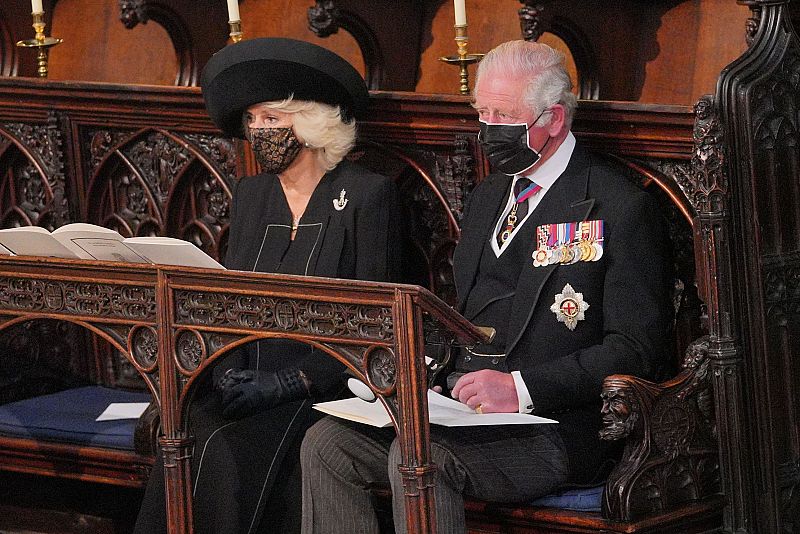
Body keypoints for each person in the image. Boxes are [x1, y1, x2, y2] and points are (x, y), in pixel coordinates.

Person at [299, 39, 673, 533]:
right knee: (326, 444)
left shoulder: (616, 205)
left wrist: (520, 389)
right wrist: (423, 375)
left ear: (553, 119)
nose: (489, 131)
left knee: (422, 459)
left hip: (558, 424)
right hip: (462, 409)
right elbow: (463, 314)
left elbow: (634, 349)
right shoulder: (488, 195)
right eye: (483, 113)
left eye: (504, 116)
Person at [133, 38, 401, 534]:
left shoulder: (366, 194)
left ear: (309, 121)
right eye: (252, 120)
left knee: (229, 450)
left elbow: (378, 321)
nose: (257, 131)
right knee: (186, 431)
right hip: (247, 382)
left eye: (270, 118)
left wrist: (293, 382)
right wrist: (224, 371)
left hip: (322, 388)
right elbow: (231, 303)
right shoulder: (252, 195)